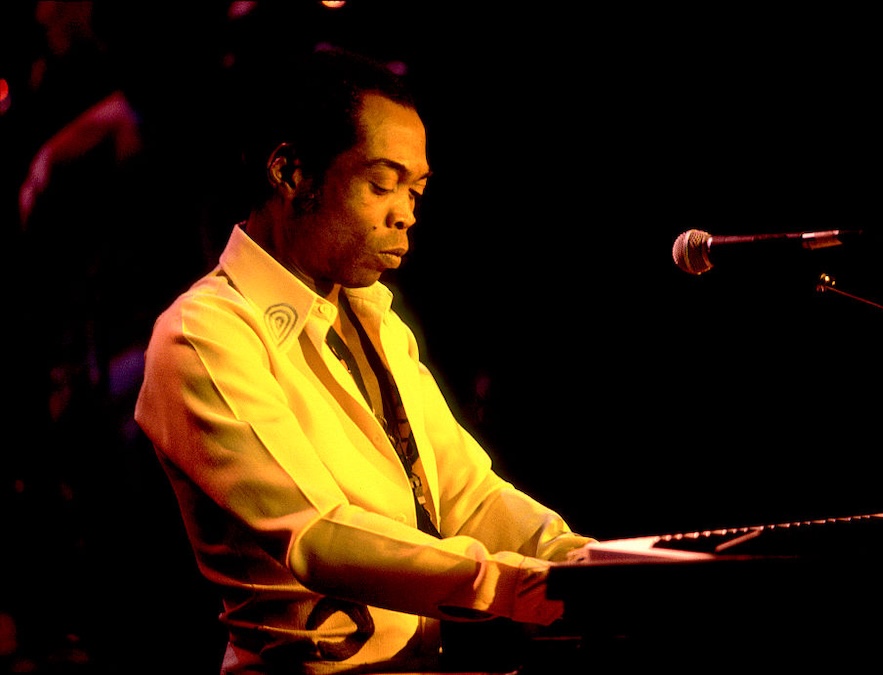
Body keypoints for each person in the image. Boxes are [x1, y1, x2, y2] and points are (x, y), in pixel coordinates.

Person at [133, 46, 595, 674]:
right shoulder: (203, 333)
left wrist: (587, 561)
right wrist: (520, 585)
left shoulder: (374, 316)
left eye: (417, 189)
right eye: (382, 184)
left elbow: (467, 495)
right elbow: (316, 534)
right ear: (292, 173)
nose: (406, 212)